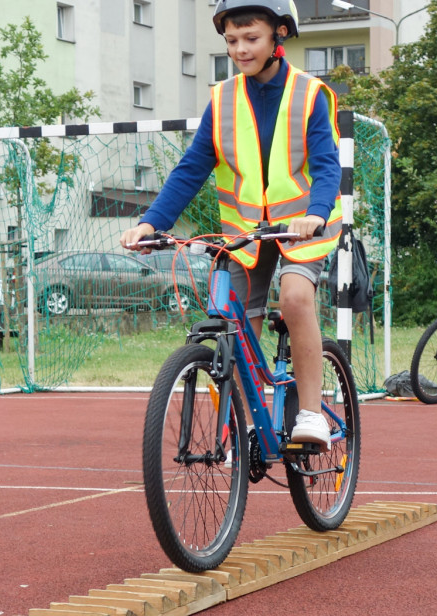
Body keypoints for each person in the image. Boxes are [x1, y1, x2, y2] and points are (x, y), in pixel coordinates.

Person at [119, 0, 340, 447]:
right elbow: (191, 168)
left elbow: (327, 165)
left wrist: (315, 214)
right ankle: (247, 419)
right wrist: (150, 223)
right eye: (232, 41)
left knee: (295, 299)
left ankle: (313, 413)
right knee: (233, 318)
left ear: (279, 35)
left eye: (251, 38)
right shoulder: (221, 100)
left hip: (303, 227)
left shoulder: (310, 93)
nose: (240, 49)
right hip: (245, 232)